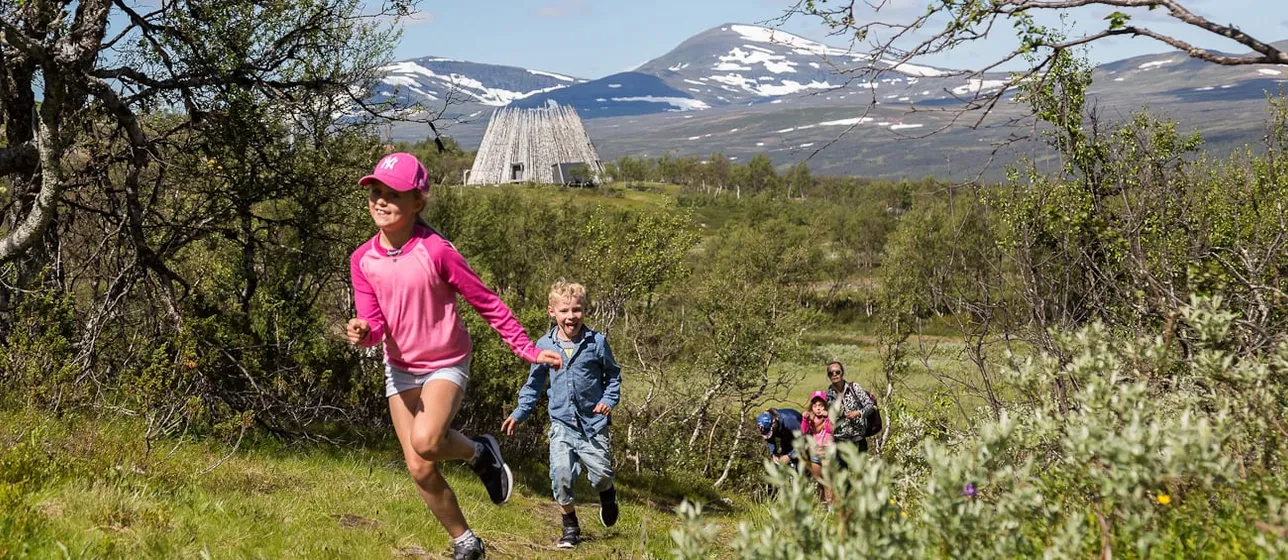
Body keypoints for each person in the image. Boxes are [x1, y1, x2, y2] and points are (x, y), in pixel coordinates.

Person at [346, 152, 563, 560]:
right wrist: (362, 332)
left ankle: (479, 450)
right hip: (400, 368)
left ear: (418, 202)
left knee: (427, 442)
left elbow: (486, 302)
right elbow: (373, 325)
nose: (380, 200)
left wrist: (528, 349)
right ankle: (467, 541)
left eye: (393, 194)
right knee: (419, 467)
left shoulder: (437, 251)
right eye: (376, 191)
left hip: (446, 361)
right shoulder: (363, 259)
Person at [502, 281, 623, 550]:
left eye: (577, 310)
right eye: (565, 310)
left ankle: (607, 494)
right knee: (561, 474)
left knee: (601, 474)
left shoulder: (597, 343)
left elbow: (613, 376)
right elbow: (534, 384)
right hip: (562, 424)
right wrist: (520, 412)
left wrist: (607, 400)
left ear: (584, 310)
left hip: (593, 424)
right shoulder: (544, 345)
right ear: (552, 312)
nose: (571, 316)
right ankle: (570, 527)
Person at [824, 361, 878, 464]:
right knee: (842, 474)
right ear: (828, 376)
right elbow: (828, 418)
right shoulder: (828, 394)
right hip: (840, 439)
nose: (834, 375)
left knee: (860, 471)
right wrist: (837, 414)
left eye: (837, 372)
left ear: (842, 373)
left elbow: (870, 406)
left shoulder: (854, 387)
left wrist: (858, 413)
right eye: (831, 373)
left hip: (858, 437)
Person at [802, 390, 835, 504]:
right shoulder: (810, 418)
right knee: (818, 480)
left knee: (827, 480)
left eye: (820, 405)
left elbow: (830, 429)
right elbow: (804, 430)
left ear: (825, 406)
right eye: (815, 406)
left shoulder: (828, 417)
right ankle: (822, 504)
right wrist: (805, 419)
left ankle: (831, 504)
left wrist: (827, 417)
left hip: (827, 451)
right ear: (812, 407)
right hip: (815, 452)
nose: (818, 408)